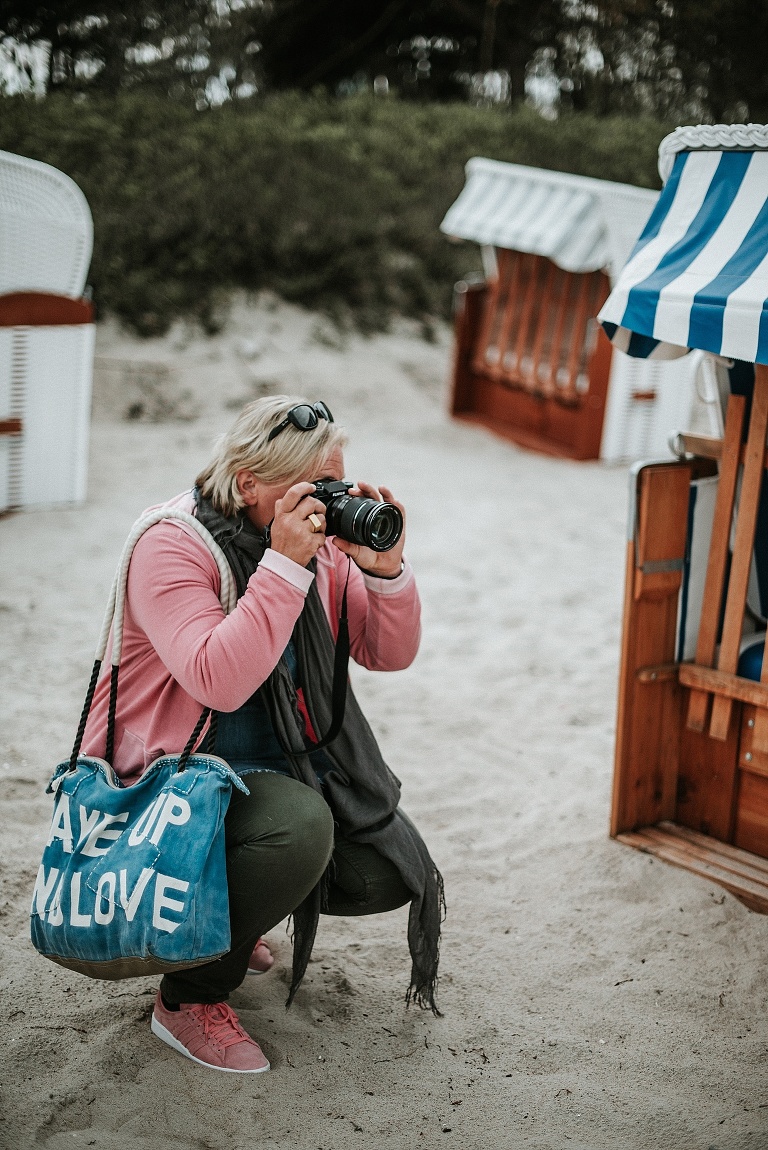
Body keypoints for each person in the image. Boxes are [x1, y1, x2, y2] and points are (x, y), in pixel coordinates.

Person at [82, 395, 443, 1074]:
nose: (325, 503)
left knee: (381, 873)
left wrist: (384, 569)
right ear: (249, 482)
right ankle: (187, 1001)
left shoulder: (319, 547)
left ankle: (227, 917)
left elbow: (385, 653)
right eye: (311, 487)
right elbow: (218, 679)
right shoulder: (172, 543)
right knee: (300, 830)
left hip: (269, 767)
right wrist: (285, 566)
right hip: (167, 788)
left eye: (335, 485)